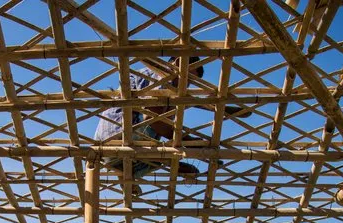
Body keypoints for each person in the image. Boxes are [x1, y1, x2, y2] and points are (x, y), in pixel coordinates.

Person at [94, 56, 248, 193]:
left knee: (167, 135)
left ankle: (128, 175)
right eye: (186, 78)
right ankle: (170, 162)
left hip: (114, 156)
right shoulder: (162, 76)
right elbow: (155, 121)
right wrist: (195, 145)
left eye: (189, 82)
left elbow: (190, 102)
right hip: (121, 137)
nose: (185, 84)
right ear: (177, 64)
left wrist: (222, 108)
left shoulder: (171, 90)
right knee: (168, 132)